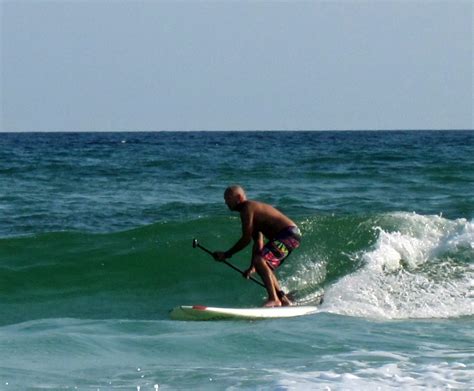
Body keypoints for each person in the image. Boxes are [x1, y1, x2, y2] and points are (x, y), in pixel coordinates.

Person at [213, 185, 301, 307]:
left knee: (261, 260)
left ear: (238, 197)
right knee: (263, 264)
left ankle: (274, 299)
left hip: (289, 234)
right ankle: (283, 299)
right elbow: (258, 241)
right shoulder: (250, 211)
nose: (225, 202)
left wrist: (226, 254)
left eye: (227, 198)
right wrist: (252, 267)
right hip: (291, 235)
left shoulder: (247, 208)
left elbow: (246, 239)